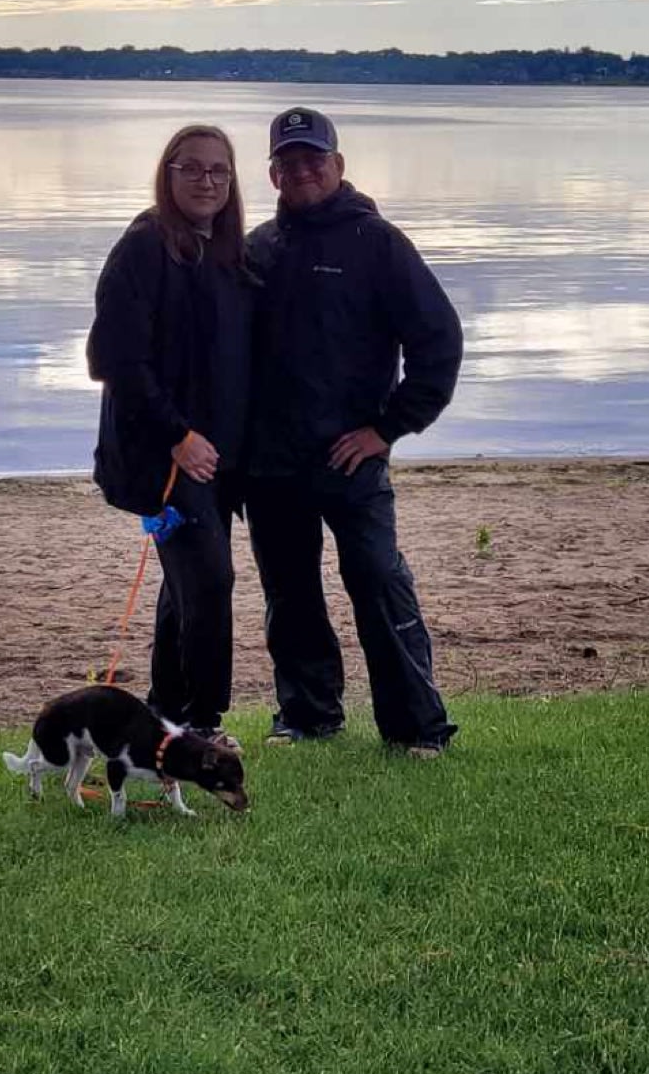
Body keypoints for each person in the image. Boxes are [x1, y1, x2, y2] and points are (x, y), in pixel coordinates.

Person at [245, 105, 463, 756]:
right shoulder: (257, 249)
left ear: (338, 165)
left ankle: (417, 726)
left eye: (313, 160)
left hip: (351, 459)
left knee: (377, 581)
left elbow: (439, 341)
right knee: (290, 596)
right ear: (273, 174)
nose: (301, 171)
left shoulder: (379, 243)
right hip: (271, 464)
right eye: (288, 162)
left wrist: (387, 429)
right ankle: (308, 715)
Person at [86, 124, 253, 742]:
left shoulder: (229, 254)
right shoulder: (144, 247)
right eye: (193, 168)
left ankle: (166, 715)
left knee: (187, 583)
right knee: (209, 580)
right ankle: (202, 723)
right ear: (168, 173)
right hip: (164, 456)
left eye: (219, 170)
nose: (207, 180)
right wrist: (177, 436)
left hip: (219, 456)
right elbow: (114, 359)